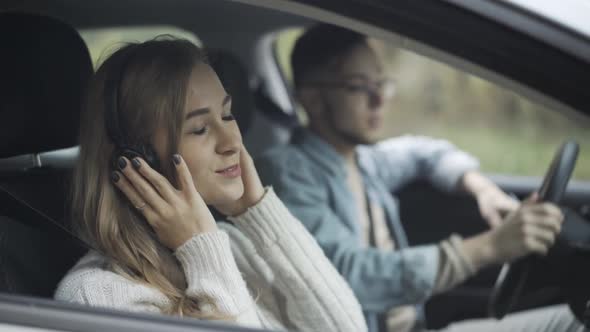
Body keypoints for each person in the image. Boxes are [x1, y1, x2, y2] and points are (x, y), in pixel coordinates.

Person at [256, 24, 584, 332]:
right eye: (359, 86)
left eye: (381, 83)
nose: (379, 99)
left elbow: (425, 152)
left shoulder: (362, 159)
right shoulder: (287, 174)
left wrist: (485, 191)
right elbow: (347, 274)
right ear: (312, 99)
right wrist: (490, 246)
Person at [54, 37, 367, 332]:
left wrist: (259, 213)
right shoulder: (97, 298)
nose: (232, 141)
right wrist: (203, 250)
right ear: (141, 159)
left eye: (228, 115)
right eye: (200, 128)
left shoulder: (235, 246)